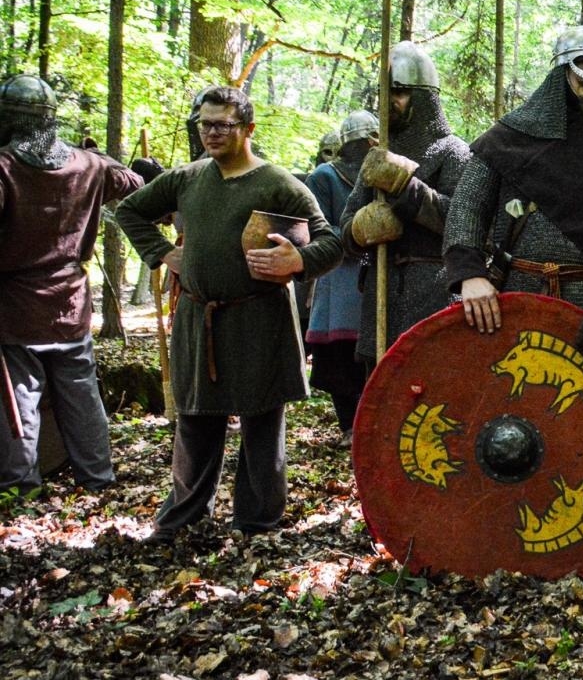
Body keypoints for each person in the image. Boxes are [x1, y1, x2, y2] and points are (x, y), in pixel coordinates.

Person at [117, 86, 344, 543]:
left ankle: (257, 520)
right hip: (200, 320)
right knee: (196, 420)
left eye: (223, 124)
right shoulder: (187, 178)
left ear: (248, 129)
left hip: (259, 320)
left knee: (262, 423)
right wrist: (163, 253)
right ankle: (184, 515)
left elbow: (331, 242)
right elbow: (130, 210)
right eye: (205, 123)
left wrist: (296, 262)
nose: (212, 133)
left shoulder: (278, 183)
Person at [444, 24, 583, 363]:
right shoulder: (510, 138)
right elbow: (468, 208)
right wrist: (470, 275)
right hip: (516, 301)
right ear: (561, 74)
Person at [0, 74, 147, 500]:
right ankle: (97, 479)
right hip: (70, 303)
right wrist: (107, 162)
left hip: (17, 307)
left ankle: (20, 488)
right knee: (80, 395)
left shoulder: (6, 167)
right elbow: (137, 187)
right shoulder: (89, 165)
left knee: (20, 401)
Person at [340, 40, 471, 365]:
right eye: (386, 93)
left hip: (433, 299)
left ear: (424, 96)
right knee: (380, 405)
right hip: (380, 300)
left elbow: (465, 224)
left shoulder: (453, 151)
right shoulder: (377, 156)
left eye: (399, 92)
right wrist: (358, 229)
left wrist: (406, 188)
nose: (390, 102)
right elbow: (343, 231)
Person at [305, 110, 377, 446]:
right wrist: (354, 233)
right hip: (338, 278)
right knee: (339, 357)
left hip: (376, 274)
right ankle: (349, 425)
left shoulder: (383, 170)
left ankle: (372, 421)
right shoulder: (323, 177)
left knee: (373, 355)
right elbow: (314, 230)